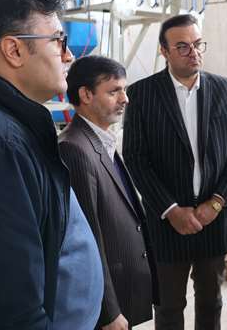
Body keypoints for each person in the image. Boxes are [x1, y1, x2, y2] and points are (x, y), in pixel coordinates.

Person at [0, 0, 103, 329]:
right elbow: (12, 306)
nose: (69, 56)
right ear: (14, 50)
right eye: (59, 41)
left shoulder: (17, 127)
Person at [123, 14, 227, 330]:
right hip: (168, 222)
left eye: (197, 44)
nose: (193, 52)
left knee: (211, 301)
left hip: (214, 218)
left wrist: (217, 202)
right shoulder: (142, 95)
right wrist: (171, 209)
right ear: (163, 51)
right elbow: (136, 159)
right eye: (182, 46)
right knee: (168, 307)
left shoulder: (225, 89)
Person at [59, 55, 159, 330]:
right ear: (86, 94)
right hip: (108, 302)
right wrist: (109, 311)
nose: (125, 99)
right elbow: (88, 237)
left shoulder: (100, 139)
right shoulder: (75, 149)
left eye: (124, 90)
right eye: (114, 91)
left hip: (123, 286)